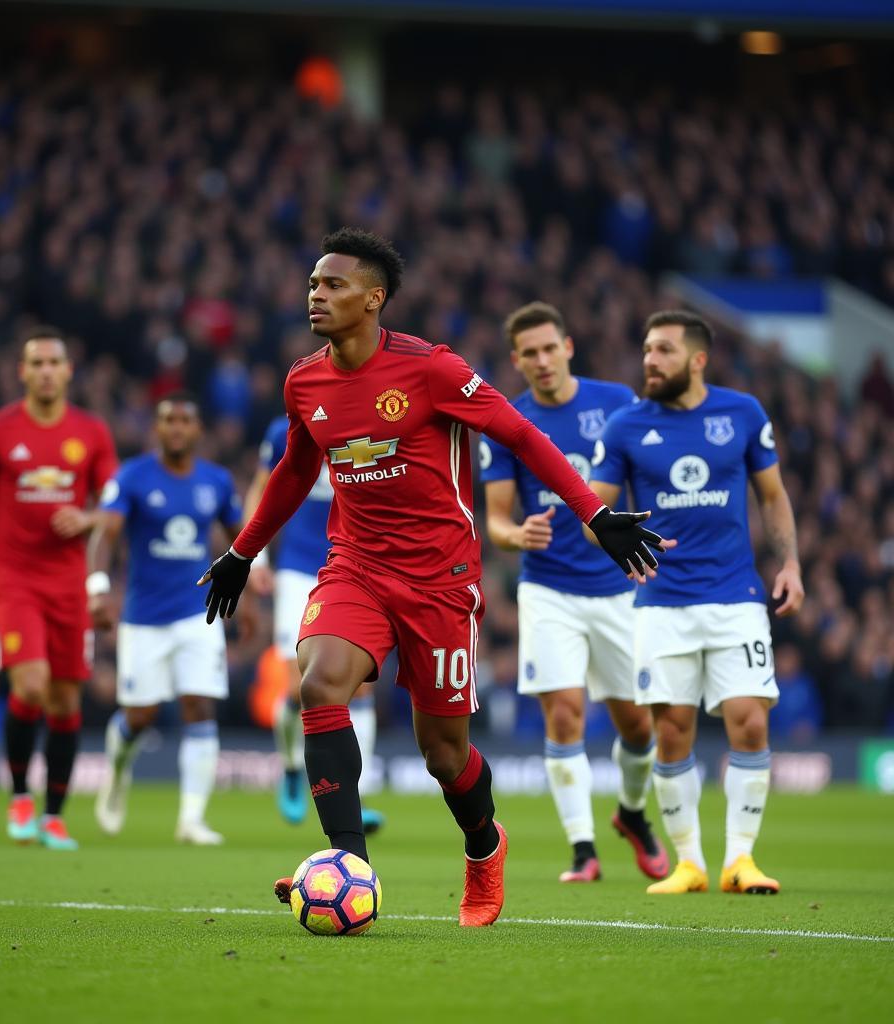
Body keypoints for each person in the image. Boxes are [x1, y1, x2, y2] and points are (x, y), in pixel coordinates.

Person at [197, 227, 666, 927]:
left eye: (333, 285)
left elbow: (522, 436)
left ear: (373, 299)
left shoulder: (433, 370)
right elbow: (297, 470)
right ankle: (347, 861)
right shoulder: (305, 380)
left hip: (440, 578)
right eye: (313, 284)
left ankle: (484, 845)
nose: (315, 294)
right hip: (354, 564)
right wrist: (243, 552)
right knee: (320, 682)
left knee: (443, 756)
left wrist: (595, 517)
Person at [588, 309, 804, 895]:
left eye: (662, 350)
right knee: (674, 730)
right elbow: (595, 515)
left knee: (750, 723)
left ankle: (741, 860)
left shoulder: (742, 413)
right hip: (661, 604)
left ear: (697, 359)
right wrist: (617, 539)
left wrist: (789, 563)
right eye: (646, 350)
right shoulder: (626, 426)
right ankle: (690, 863)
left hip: (736, 596)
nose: (649, 361)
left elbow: (773, 496)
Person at [480, 301, 668, 884]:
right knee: (565, 716)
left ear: (568, 347)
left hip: (619, 589)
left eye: (548, 348)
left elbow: (650, 472)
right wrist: (518, 534)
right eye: (528, 353)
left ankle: (632, 815)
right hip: (550, 590)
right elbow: (496, 521)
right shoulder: (507, 422)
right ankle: (582, 851)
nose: (540, 361)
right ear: (516, 361)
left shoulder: (616, 403)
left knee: (638, 727)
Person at [0, 327, 118, 850]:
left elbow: (113, 510)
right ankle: (20, 796)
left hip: (69, 584)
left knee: (67, 700)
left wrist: (87, 518)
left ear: (68, 371)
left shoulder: (91, 433)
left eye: (54, 363)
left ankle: (54, 816)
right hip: (14, 577)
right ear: (22, 372)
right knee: (31, 686)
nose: (45, 371)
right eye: (36, 363)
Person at [89, 392, 242, 845]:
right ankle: (117, 773)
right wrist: (97, 586)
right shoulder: (133, 476)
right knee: (140, 716)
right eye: (168, 420)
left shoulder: (216, 481)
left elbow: (241, 540)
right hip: (144, 617)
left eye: (185, 420)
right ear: (157, 429)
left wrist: (250, 598)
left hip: (198, 615)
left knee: (200, 705)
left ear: (197, 430)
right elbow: (106, 534)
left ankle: (191, 819)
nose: (176, 427)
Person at [245, 416, 384, 833]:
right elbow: (260, 489)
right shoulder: (286, 430)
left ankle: (354, 795)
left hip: (356, 564)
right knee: (295, 687)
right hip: (299, 566)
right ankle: (291, 769)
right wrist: (256, 556)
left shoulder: (373, 423)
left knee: (360, 685)